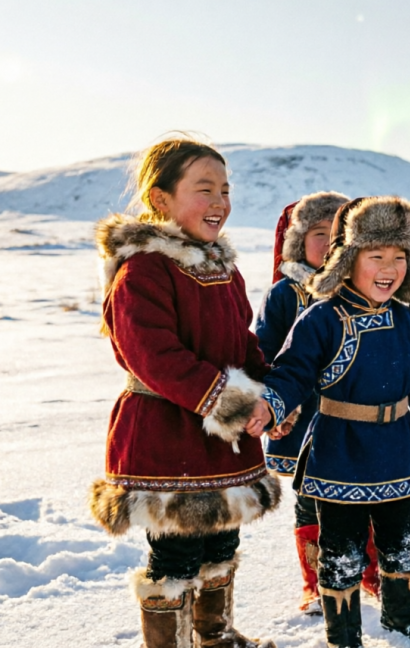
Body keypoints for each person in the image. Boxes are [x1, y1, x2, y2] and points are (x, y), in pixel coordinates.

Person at [249, 196, 410, 648]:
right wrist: (271, 404)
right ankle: (343, 633)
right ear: (348, 259)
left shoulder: (407, 321)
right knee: (342, 550)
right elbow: (291, 372)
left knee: (405, 538)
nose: (389, 267)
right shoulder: (321, 318)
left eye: (399, 256)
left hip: (396, 449)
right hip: (340, 450)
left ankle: (400, 612)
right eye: (376, 256)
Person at [88, 135, 279, 648]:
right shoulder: (144, 268)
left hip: (222, 442)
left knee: (222, 539)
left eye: (225, 189)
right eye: (204, 189)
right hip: (166, 437)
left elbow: (244, 343)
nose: (219, 202)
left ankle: (214, 637)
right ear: (161, 199)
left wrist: (272, 400)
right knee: (175, 556)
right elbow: (156, 357)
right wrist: (237, 404)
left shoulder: (223, 268)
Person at [256, 191, 382, 613]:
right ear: (297, 241)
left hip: (358, 416)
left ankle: (371, 574)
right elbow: (263, 354)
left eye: (337, 234)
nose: (328, 242)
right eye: (317, 233)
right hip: (303, 415)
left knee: (364, 497)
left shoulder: (365, 290)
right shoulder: (284, 294)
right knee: (310, 499)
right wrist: (273, 404)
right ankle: (315, 582)